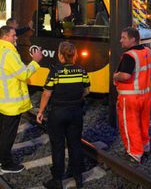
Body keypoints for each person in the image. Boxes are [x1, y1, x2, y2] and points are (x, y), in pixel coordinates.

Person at [0, 25, 42, 173]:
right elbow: (23, 74)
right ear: (5, 37)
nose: (16, 37)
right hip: (11, 102)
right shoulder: (9, 54)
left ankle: (0, 158)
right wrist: (35, 62)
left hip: (0, 100)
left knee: (2, 130)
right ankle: (6, 164)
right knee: (8, 134)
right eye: (13, 35)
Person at [36, 41, 90, 189]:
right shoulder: (81, 70)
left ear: (60, 55)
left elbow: (47, 93)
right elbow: (87, 91)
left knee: (58, 146)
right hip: (76, 112)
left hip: (58, 113)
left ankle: (57, 180)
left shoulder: (55, 71)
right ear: (75, 55)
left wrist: (40, 111)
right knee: (75, 144)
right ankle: (78, 177)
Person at [113, 27, 151, 163]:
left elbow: (125, 75)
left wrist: (115, 75)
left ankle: (134, 153)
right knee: (143, 123)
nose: (121, 40)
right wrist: (150, 72)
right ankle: (145, 147)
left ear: (133, 39)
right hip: (146, 96)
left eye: (124, 37)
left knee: (130, 125)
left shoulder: (130, 56)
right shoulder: (148, 51)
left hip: (129, 98)